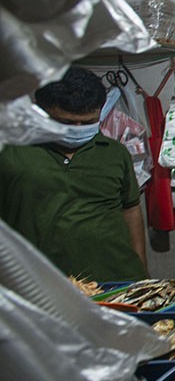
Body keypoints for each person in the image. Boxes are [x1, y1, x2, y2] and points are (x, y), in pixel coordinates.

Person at [0, 67, 148, 282]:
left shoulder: (114, 153)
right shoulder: (11, 152)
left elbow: (131, 209)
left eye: (88, 122)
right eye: (66, 123)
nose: (77, 129)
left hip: (118, 279)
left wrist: (141, 270)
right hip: (40, 285)